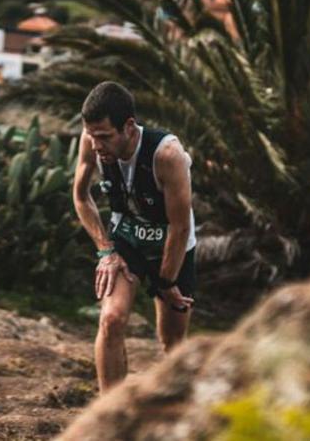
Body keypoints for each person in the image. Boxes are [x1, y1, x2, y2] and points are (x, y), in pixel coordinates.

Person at [70, 81, 197, 393]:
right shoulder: (90, 142)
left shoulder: (167, 155)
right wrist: (105, 250)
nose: (96, 144)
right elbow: (81, 197)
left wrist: (165, 283)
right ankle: (110, 412)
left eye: (104, 137)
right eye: (91, 135)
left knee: (172, 342)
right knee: (111, 319)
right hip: (127, 239)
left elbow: (180, 228)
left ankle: (169, 412)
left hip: (172, 244)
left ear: (128, 127)